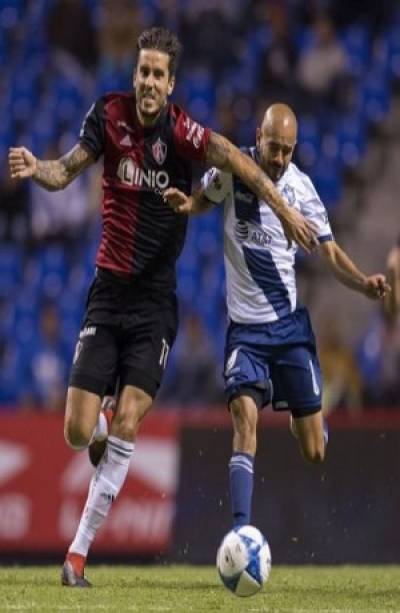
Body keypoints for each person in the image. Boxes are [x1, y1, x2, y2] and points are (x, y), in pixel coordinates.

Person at [8, 28, 317, 587]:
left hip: (155, 305)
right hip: (107, 294)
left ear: (171, 84)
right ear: (135, 75)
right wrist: (39, 167)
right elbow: (68, 169)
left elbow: (241, 164)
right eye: (143, 71)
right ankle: (96, 422)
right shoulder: (108, 115)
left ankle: (76, 557)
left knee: (128, 421)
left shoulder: (182, 132)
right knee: (78, 434)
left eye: (159, 75)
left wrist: (286, 213)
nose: (149, 82)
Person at [164, 102, 390, 529]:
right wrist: (188, 206)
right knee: (243, 421)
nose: (280, 158)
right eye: (273, 148)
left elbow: (330, 253)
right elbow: (205, 199)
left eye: (288, 150)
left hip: (288, 331)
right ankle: (241, 531)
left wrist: (362, 283)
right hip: (245, 333)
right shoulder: (233, 169)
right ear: (258, 136)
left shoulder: (302, 189)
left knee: (314, 452)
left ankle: (310, 422)